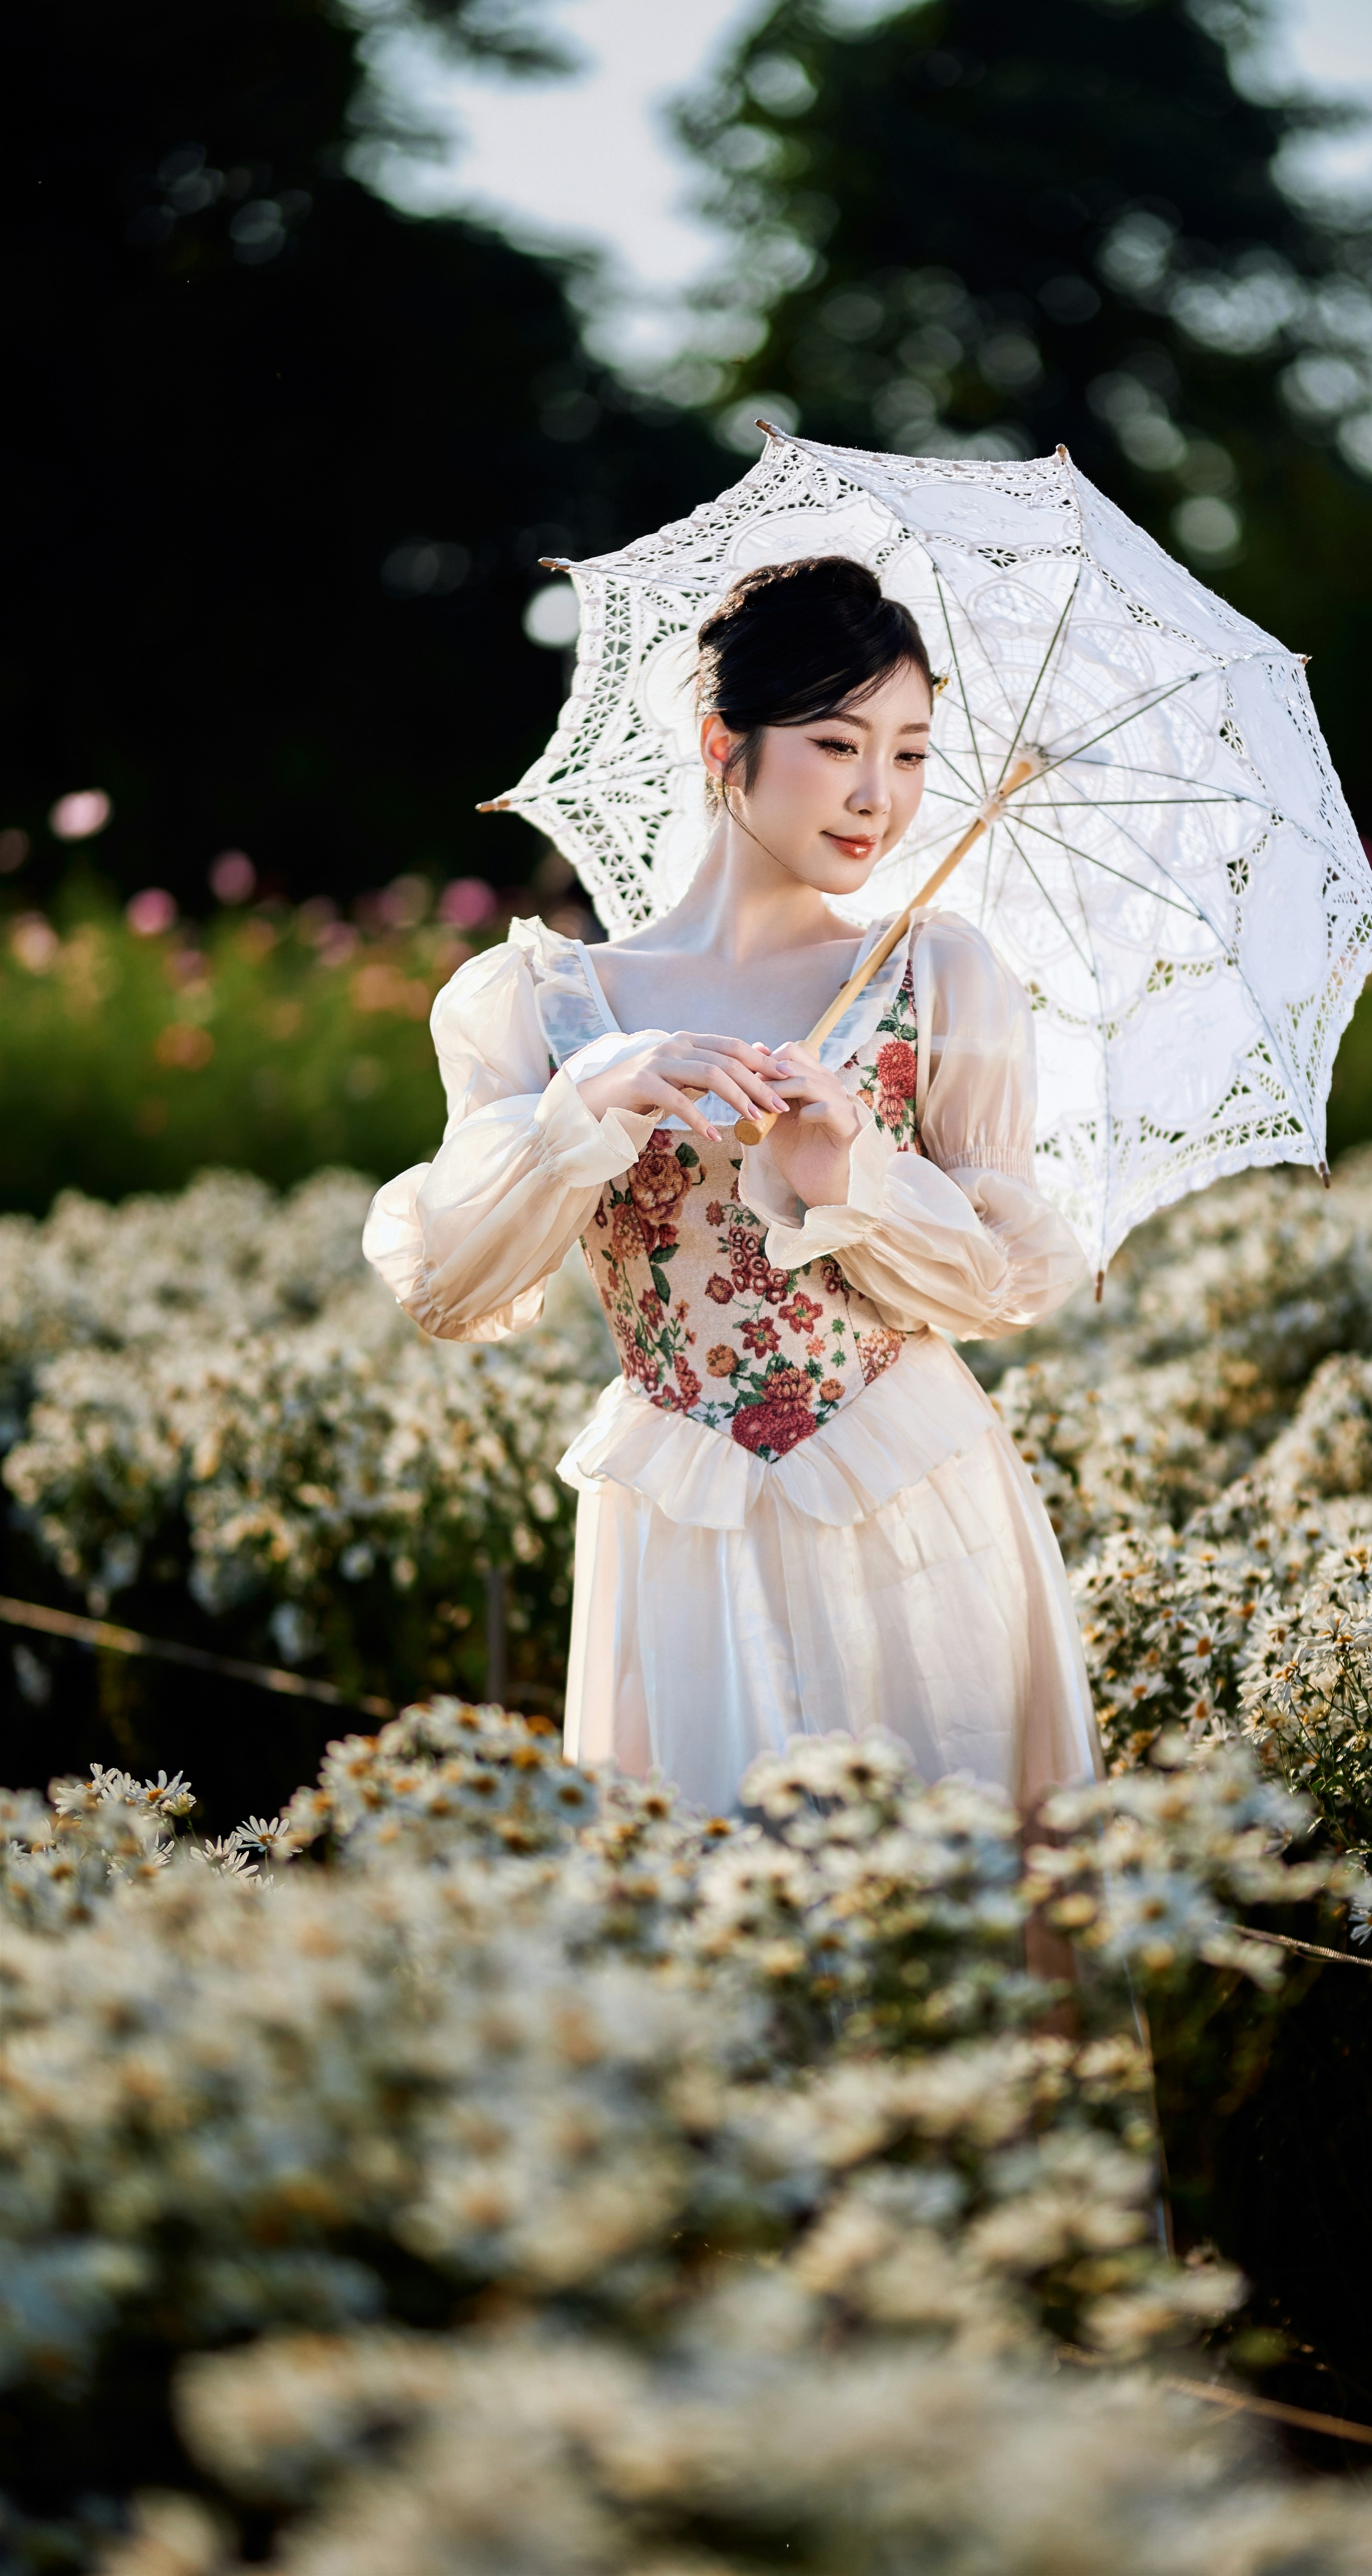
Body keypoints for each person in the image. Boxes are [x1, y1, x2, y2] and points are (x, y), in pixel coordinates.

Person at [364, 554, 1101, 1815]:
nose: (882, 796)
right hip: (680, 1523)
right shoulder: (549, 1004)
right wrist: (587, 1100)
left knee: (938, 1909)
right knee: (708, 1890)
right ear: (725, 744)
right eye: (837, 743)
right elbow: (447, 1279)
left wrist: (850, 1174)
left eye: (914, 754)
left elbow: (1010, 1278)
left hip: (912, 1503)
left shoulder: (938, 977)